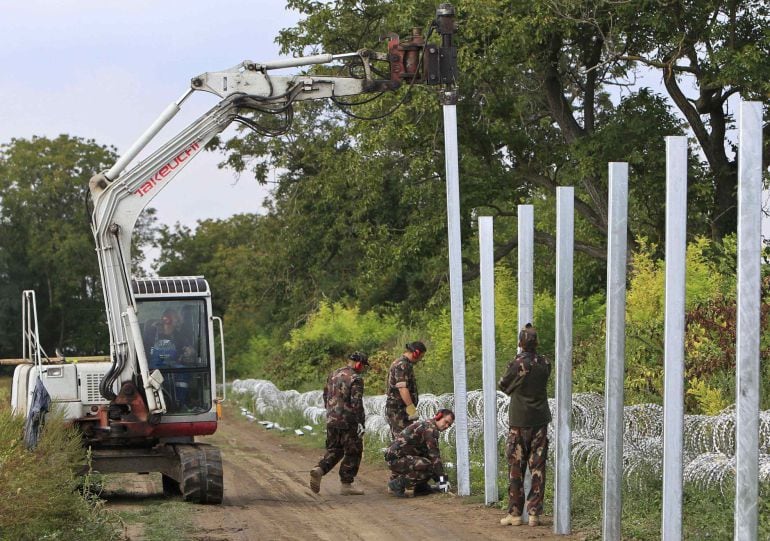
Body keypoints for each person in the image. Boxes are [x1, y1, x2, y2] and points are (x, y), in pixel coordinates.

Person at [498, 323, 552, 527]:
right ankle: (534, 514)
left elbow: (503, 385)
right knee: (537, 468)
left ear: (521, 343)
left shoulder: (517, 363)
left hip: (520, 421)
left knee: (516, 468)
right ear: (536, 342)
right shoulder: (545, 363)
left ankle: (514, 513)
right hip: (540, 420)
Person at [309, 352, 369, 496]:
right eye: (363, 366)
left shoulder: (333, 374)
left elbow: (325, 395)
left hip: (331, 419)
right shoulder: (356, 379)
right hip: (348, 421)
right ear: (359, 363)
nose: (363, 369)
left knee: (335, 449)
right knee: (353, 451)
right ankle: (346, 484)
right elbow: (356, 403)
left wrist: (331, 412)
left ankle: (319, 470)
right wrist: (361, 422)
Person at [384, 409, 454, 497]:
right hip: (396, 460)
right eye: (446, 422)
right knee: (428, 464)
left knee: (428, 462)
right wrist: (442, 480)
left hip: (399, 458)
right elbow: (435, 457)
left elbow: (429, 454)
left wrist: (440, 479)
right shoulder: (430, 430)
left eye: (449, 425)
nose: (446, 426)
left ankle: (421, 488)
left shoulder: (428, 425)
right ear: (438, 417)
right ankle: (397, 484)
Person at [385, 341, 426, 440]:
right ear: (416, 353)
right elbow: (402, 388)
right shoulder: (402, 365)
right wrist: (411, 408)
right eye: (421, 356)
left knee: (403, 440)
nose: (421, 359)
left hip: (399, 410)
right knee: (402, 441)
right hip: (399, 410)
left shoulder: (401, 363)